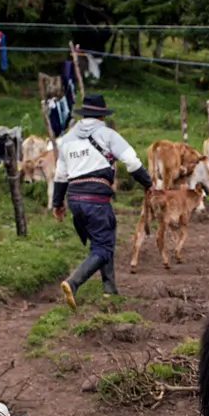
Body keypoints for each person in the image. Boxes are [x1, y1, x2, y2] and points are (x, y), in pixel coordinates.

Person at [52, 93, 153, 310]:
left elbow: (60, 175)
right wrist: (147, 182)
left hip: (74, 199)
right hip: (96, 199)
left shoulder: (67, 139)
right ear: (101, 116)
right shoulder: (107, 135)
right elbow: (132, 162)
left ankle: (110, 290)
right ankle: (73, 282)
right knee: (103, 247)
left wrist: (56, 203)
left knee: (102, 240)